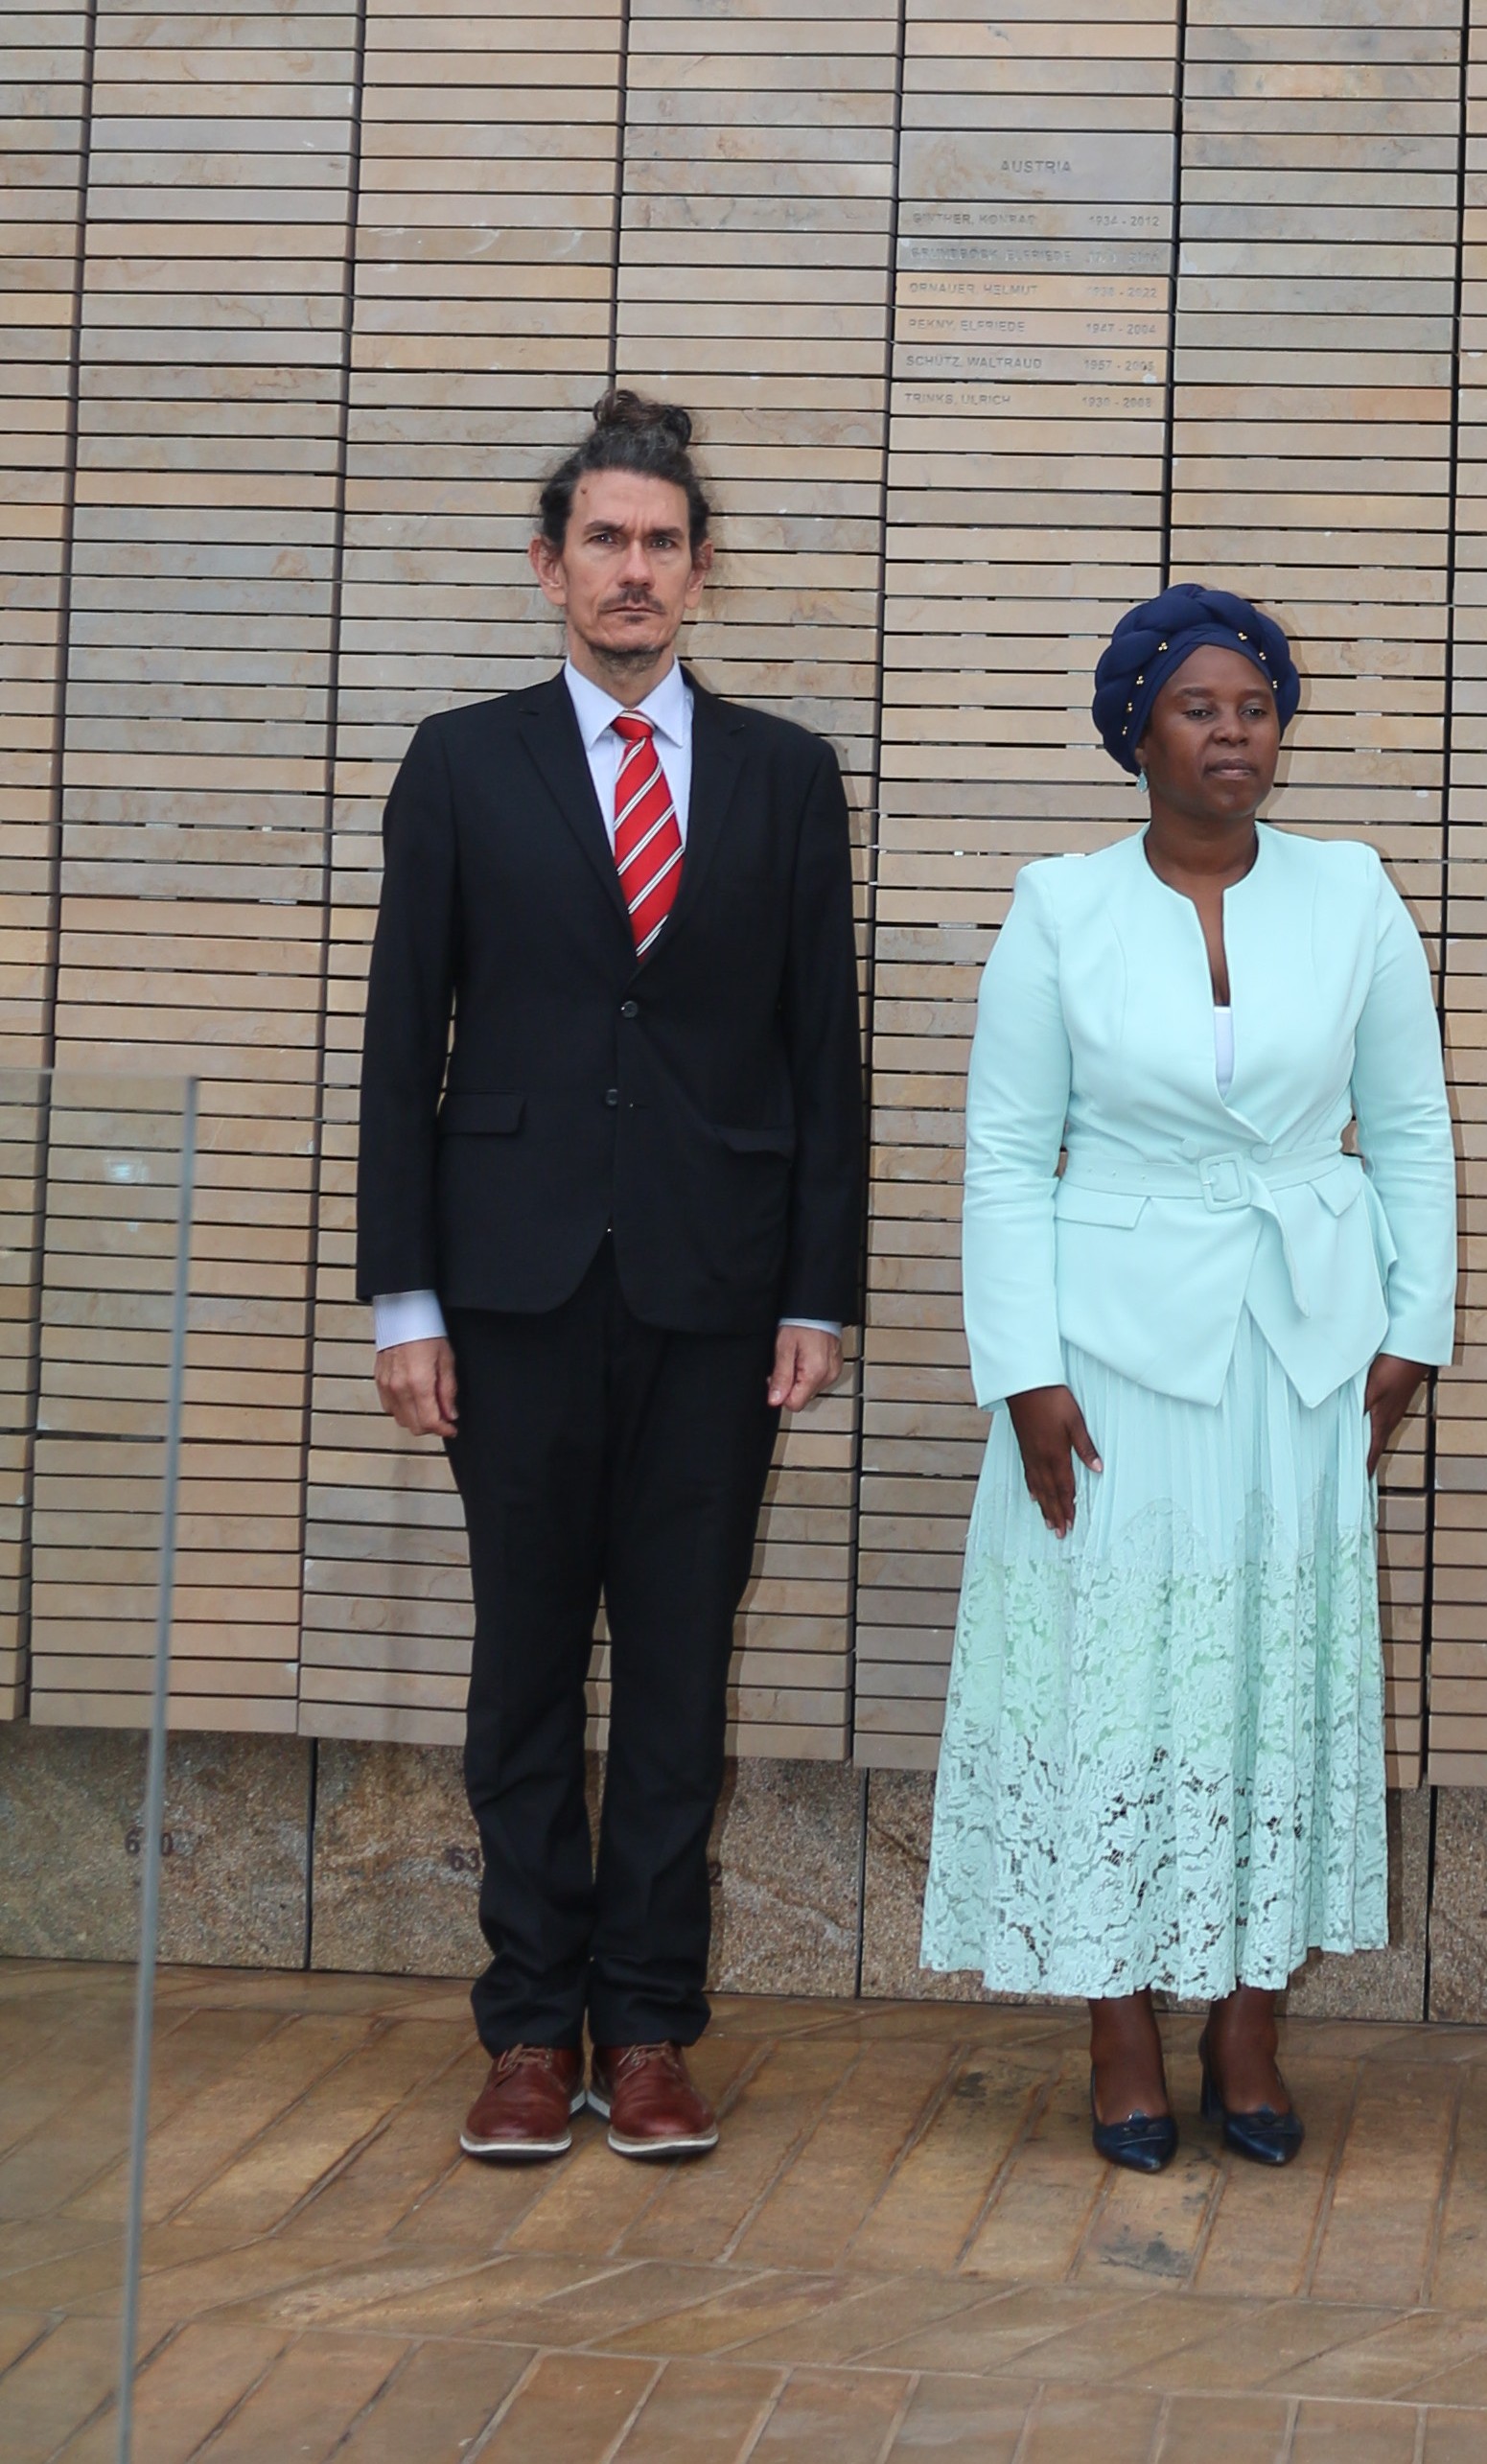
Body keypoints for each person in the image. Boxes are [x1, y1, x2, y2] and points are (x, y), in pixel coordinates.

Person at [358, 389, 864, 2165]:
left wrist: (819, 1295)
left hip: (717, 1297)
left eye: (663, 544)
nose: (632, 572)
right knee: (518, 1671)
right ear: (549, 564)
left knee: (672, 1678)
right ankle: (524, 2027)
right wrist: (400, 1299)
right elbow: (399, 1043)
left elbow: (824, 1060)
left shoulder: (792, 781)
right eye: (604, 541)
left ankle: (647, 2026)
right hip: (506, 1291)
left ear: (702, 574)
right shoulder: (459, 763)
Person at [919, 582, 1455, 2175]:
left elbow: (1408, 1128)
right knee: (1111, 1682)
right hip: (1109, 1359)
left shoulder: (1355, 894)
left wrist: (1410, 1324)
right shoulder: (1060, 908)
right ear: (1136, 730)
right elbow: (1009, 1156)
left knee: (1267, 1678)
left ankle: (1246, 2018)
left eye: (1258, 706)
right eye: (1202, 708)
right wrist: (1021, 1372)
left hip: (1303, 1350)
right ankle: (1119, 2027)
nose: (1237, 733)